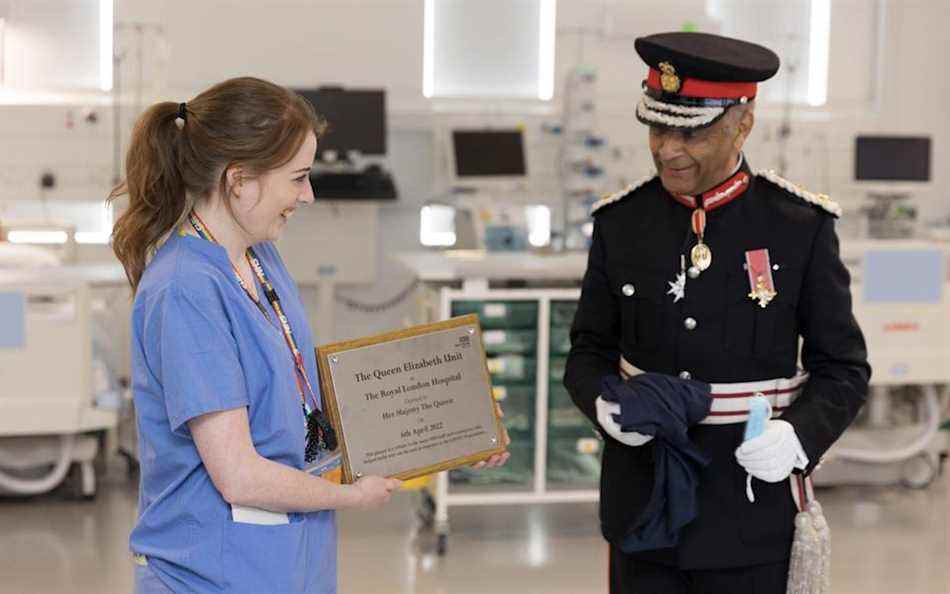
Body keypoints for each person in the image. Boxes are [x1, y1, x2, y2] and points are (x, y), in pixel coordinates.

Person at [109, 77, 508, 594]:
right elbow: (239, 475)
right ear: (239, 180)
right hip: (211, 572)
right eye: (297, 178)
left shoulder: (259, 256)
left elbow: (300, 405)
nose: (309, 195)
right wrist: (352, 497)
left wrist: (453, 428)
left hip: (289, 562)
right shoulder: (186, 288)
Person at [564, 32, 870, 594]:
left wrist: (798, 438)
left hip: (750, 506)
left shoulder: (798, 227)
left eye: (692, 133)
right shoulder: (620, 223)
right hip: (644, 500)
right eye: (657, 128)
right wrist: (605, 406)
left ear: (743, 122)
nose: (667, 150)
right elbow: (588, 349)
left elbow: (844, 368)